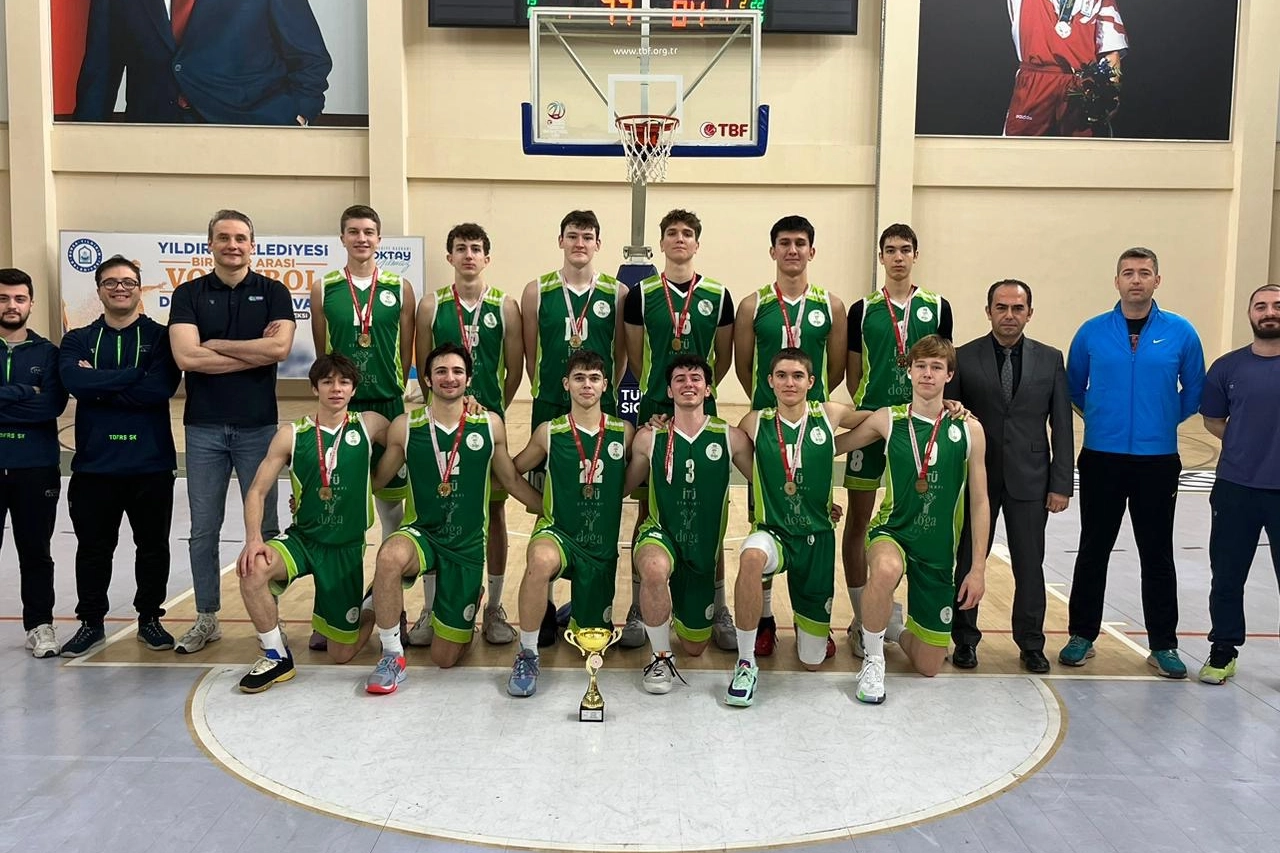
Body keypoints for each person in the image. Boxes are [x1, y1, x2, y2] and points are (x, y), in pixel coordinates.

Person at [364, 344, 541, 694]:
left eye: (457, 371)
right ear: (427, 379)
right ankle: (392, 655)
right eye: (441, 371)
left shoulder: (489, 424)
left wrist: (553, 512)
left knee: (444, 658)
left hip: (466, 545)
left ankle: (469, 604)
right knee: (388, 556)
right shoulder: (405, 426)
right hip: (422, 533)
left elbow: (510, 480)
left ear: (468, 379)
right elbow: (377, 481)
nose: (449, 378)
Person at [1062, 247, 1205, 678]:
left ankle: (1163, 644)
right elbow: (1074, 387)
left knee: (1156, 553)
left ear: (1157, 280)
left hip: (1157, 460)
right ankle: (1082, 635)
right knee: (1093, 548)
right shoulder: (1092, 332)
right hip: (1101, 458)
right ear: (1117, 281)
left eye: (1144, 273)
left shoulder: (1181, 333)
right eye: (1128, 273)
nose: (1136, 280)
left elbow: (1194, 391)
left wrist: (1160, 418)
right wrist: (1102, 418)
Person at [169, 209, 296, 654]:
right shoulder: (188, 294)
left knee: (267, 526)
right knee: (204, 528)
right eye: (223, 237)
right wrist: (253, 353)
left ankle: (271, 619)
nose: (232, 245)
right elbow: (187, 358)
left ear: (252, 245)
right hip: (203, 428)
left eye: (240, 238)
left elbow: (279, 348)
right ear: (210, 244)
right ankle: (207, 617)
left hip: (258, 427)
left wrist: (217, 345)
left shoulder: (273, 292)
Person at [837, 335, 990, 705]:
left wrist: (978, 569)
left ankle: (892, 628)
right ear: (909, 371)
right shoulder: (888, 418)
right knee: (885, 569)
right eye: (920, 366)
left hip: (937, 550)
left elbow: (980, 501)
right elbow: (834, 446)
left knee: (929, 665)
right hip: (893, 531)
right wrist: (812, 418)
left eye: (936, 367)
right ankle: (873, 660)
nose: (927, 374)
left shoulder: (969, 429)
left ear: (949, 375)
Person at [234, 354, 388, 693]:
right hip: (303, 539)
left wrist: (466, 404)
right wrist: (254, 539)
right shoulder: (291, 434)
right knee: (252, 569)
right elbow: (257, 490)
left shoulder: (370, 424)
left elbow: (412, 439)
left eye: (344, 382)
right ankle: (275, 655)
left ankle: (372, 602)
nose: (336, 388)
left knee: (341, 654)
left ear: (353, 389)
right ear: (314, 388)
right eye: (327, 382)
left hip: (345, 549)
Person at [724, 348, 869, 707]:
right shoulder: (754, 421)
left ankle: (815, 631)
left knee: (812, 662)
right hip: (773, 533)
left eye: (797, 376)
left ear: (811, 382)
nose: (790, 382)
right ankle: (746, 661)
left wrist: (937, 407)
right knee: (750, 557)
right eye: (782, 375)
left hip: (817, 538)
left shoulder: (830, 413)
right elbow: (734, 451)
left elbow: (879, 420)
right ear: (770, 381)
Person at [622, 209, 736, 651]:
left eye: (688, 233)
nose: (680, 239)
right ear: (662, 242)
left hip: (700, 408)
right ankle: (639, 605)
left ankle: (718, 606)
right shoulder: (641, 295)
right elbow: (635, 357)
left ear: (697, 243)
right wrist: (664, 399)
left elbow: (722, 359)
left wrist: (694, 396)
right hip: (656, 407)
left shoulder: (719, 295)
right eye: (672, 233)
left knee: (711, 511)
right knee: (647, 508)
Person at [733, 215, 846, 658]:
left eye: (800, 243)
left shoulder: (832, 305)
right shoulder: (752, 305)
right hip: (769, 425)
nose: (792, 250)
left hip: (810, 426)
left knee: (811, 517)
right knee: (763, 522)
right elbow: (745, 366)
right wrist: (767, 403)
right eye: (784, 243)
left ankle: (810, 619)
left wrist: (811, 405)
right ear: (773, 251)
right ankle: (763, 619)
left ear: (812, 251)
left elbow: (836, 367)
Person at [58, 255, 182, 657]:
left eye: (128, 282)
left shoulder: (161, 338)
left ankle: (149, 619)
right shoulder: (78, 339)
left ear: (139, 289)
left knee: (153, 546)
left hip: (151, 464)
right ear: (99, 290)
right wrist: (133, 375)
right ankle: (91, 623)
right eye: (110, 282)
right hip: (96, 466)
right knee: (93, 549)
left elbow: (159, 388)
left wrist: (99, 383)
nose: (120, 289)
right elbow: (75, 381)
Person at [947, 280, 1071, 673]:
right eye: (1001, 307)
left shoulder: (1050, 359)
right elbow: (952, 421)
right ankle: (965, 640)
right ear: (988, 311)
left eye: (1018, 308)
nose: (1009, 315)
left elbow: (1062, 425)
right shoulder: (964, 357)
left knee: (1030, 565)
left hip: (1031, 479)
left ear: (1029, 313)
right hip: (976, 478)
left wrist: (1061, 484)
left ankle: (1032, 644)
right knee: (969, 559)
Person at [309, 205, 416, 649]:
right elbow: (324, 354)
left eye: (369, 231)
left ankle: (394, 610)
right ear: (342, 238)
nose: (361, 238)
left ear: (379, 239)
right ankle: (335, 614)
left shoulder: (399, 288)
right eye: (353, 231)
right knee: (339, 519)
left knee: (393, 517)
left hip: (388, 405)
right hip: (343, 411)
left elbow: (407, 349)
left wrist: (398, 390)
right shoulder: (324, 288)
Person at [843, 223, 952, 657]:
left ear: (916, 255)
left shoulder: (938, 306)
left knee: (918, 515)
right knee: (858, 521)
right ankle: (861, 616)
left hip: (921, 426)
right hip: (874, 423)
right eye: (890, 250)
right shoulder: (862, 309)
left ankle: (912, 611)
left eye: (905, 249)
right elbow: (853, 370)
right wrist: (870, 410)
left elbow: (943, 361)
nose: (898, 257)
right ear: (881, 257)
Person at [412, 223, 523, 648]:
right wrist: (451, 407)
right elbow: (425, 367)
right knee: (434, 513)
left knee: (494, 513)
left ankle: (493, 605)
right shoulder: (431, 305)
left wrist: (489, 412)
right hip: (440, 425)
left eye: (476, 248)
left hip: (484, 427)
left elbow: (514, 370)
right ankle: (431, 606)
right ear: (450, 257)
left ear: (487, 258)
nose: (469, 255)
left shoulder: (506, 306)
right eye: (461, 248)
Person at [520, 210, 628, 646]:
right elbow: (531, 353)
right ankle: (543, 606)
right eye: (572, 236)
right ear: (560, 240)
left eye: (587, 236)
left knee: (598, 497)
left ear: (598, 244)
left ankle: (588, 592)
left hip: (599, 404)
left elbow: (620, 353)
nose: (579, 243)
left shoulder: (617, 292)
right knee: (545, 504)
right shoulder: (536, 291)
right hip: (550, 403)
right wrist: (552, 391)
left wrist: (598, 389)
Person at [507, 349, 634, 697]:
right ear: (566, 384)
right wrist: (543, 506)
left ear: (606, 385)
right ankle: (527, 653)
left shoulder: (624, 432)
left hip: (599, 546)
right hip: (559, 533)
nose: (586, 385)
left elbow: (640, 473)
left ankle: (577, 608)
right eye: (579, 378)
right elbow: (512, 473)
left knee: (593, 644)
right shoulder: (549, 432)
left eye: (594, 378)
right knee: (540, 560)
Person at [623, 354, 753, 693]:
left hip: (702, 551)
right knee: (653, 568)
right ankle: (660, 657)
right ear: (669, 390)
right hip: (661, 533)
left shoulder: (731, 437)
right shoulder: (650, 438)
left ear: (708, 389)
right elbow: (621, 488)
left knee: (695, 647)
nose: (688, 384)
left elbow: (766, 483)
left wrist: (818, 504)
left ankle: (680, 617)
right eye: (679, 379)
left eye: (696, 379)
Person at [1197, 284, 1280, 684]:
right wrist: (1244, 440)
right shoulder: (1228, 367)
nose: (1269, 312)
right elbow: (1213, 419)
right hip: (1235, 488)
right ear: (1250, 314)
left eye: (1277, 305)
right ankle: (1223, 650)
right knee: (1227, 576)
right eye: (1261, 306)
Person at [73, 0, 332, 125]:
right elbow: (101, 66)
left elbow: (310, 57)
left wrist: (297, 115)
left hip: (249, 128)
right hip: (152, 136)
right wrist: (84, 141)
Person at [0, 269, 68, 659]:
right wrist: (26, 390)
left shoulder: (48, 353)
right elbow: (35, 401)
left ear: (31, 303)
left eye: (19, 298)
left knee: (36, 551)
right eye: (3, 298)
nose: (12, 306)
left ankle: (40, 625)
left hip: (36, 466)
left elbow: (50, 406)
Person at [1004, 0, 1128, 137]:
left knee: (1087, 149)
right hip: (1035, 81)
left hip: (1082, 86)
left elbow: (1111, 50)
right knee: (1018, 147)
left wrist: (1110, 93)